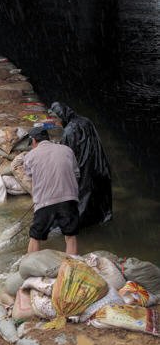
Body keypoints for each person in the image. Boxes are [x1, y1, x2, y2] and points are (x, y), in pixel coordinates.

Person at [50, 102, 112, 228]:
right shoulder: (85, 121)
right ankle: (97, 220)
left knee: (81, 196)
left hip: (84, 169)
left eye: (56, 119)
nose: (56, 123)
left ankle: (77, 224)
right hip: (97, 165)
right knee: (95, 195)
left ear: (62, 117)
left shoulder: (69, 131)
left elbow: (67, 153)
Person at [24, 127, 80, 255]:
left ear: (33, 141)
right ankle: (71, 270)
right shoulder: (67, 150)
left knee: (35, 237)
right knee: (71, 237)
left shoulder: (30, 156)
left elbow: (29, 176)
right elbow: (76, 174)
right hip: (68, 200)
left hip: (44, 202)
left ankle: (31, 267)